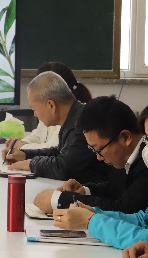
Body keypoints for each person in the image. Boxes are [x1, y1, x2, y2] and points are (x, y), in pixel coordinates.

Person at [50, 104, 148, 250]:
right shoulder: (124, 158)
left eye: (99, 150)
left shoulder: (143, 166)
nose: (145, 148)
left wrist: (90, 221)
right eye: (146, 139)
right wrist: (94, 212)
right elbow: (142, 219)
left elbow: (132, 217)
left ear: (125, 137)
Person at [34, 97, 148, 214]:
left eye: (99, 150)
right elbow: (114, 189)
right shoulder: (124, 155)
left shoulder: (146, 162)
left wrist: (61, 200)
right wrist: (85, 190)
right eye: (93, 150)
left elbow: (125, 209)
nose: (98, 157)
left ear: (125, 137)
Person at [2, 71, 109, 183]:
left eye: (34, 109)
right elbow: (58, 152)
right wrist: (25, 154)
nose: (35, 114)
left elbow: (64, 167)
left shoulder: (82, 122)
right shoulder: (72, 117)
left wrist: (31, 164)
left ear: (51, 105)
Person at [4, 61, 92, 152]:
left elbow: (55, 148)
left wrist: (22, 147)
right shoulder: (50, 109)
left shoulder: (71, 117)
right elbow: (37, 135)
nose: (35, 114)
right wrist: (21, 143)